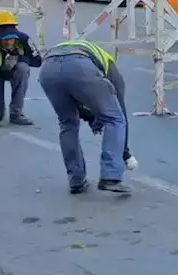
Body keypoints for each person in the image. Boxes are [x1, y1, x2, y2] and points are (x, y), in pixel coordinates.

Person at [38, 39, 137, 194]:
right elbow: (119, 113)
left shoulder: (90, 54)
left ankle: (76, 181)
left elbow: (79, 102)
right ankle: (110, 177)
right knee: (115, 119)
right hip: (79, 66)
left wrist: (92, 117)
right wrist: (126, 154)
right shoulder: (112, 70)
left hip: (48, 69)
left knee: (67, 123)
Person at [0, 10, 42, 128]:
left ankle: (16, 113)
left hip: (8, 70)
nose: (9, 42)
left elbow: (38, 61)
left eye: (12, 38)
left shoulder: (23, 39)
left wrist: (19, 59)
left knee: (23, 68)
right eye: (5, 39)